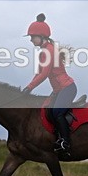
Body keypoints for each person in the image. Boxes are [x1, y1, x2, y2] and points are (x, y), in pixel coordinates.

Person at [22, 13, 77, 155]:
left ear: (41, 36)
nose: (31, 40)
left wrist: (30, 87)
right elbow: (38, 73)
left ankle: (65, 142)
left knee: (57, 112)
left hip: (67, 88)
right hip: (59, 90)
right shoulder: (45, 51)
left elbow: (44, 74)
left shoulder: (49, 51)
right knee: (48, 110)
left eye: (32, 37)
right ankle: (57, 137)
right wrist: (28, 87)